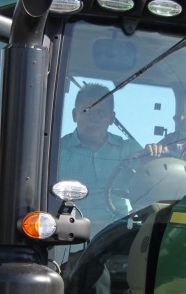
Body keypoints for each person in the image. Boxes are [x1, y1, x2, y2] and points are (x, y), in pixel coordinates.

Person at [58, 83, 143, 233]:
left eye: (101, 113)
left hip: (121, 232)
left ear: (112, 118)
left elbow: (155, 177)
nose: (94, 118)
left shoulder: (129, 149)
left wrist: (157, 153)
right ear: (74, 115)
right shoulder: (56, 151)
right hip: (72, 234)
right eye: (86, 111)